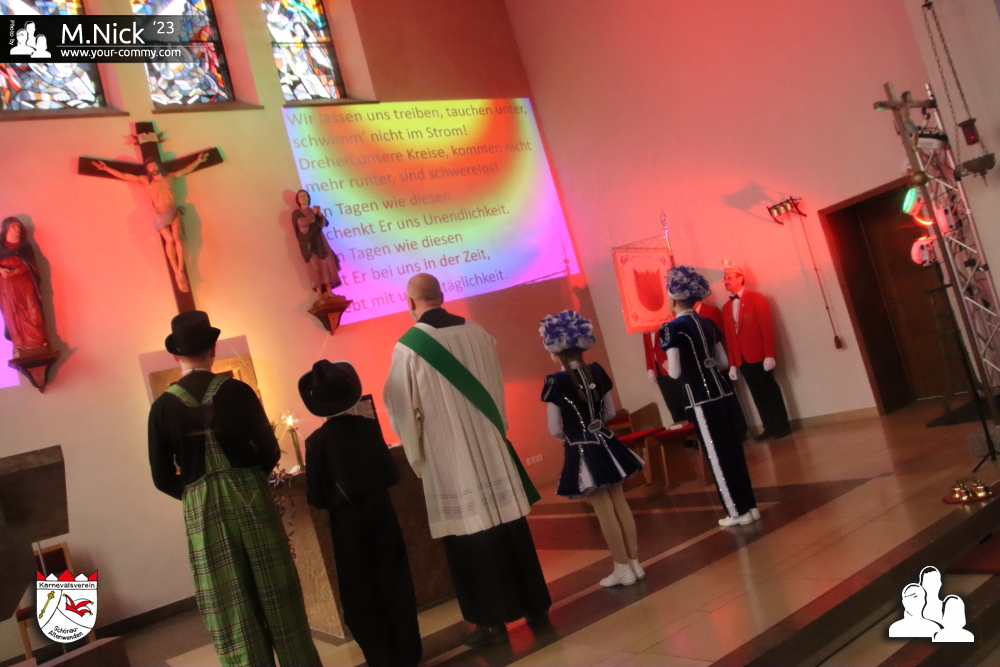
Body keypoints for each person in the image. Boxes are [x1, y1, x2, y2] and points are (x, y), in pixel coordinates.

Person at [384, 273, 551, 648]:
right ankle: (536, 609)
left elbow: (401, 411)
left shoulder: (409, 348)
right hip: (491, 449)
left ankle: (491, 623)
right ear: (441, 296)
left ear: (410, 302)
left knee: (471, 541)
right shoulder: (478, 333)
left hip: (452, 461)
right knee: (510, 529)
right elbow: (496, 391)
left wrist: (419, 457)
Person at [147, 311, 320, 667]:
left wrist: (195, 495)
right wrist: (249, 479)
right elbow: (270, 450)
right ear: (212, 349)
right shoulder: (239, 392)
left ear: (176, 355)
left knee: (230, 605)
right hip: (251, 499)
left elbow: (161, 477)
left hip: (203, 513)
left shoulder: (162, 408)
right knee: (279, 595)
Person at [300, 359, 421, 667]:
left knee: (359, 592)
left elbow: (316, 496)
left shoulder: (316, 443)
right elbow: (392, 474)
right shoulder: (368, 427)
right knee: (395, 581)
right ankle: (408, 654)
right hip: (381, 511)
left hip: (347, 522)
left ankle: (382, 659)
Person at [540, 310, 645, 586]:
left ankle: (621, 568)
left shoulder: (555, 381)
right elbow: (609, 412)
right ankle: (634, 563)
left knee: (603, 510)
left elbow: (554, 428)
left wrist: (572, 433)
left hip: (583, 449)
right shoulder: (597, 370)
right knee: (619, 502)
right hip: (607, 443)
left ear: (555, 349)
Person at [660, 266, 760, 527]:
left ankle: (735, 511)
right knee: (733, 450)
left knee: (716, 455)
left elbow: (675, 372)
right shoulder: (707, 323)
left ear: (673, 299)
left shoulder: (672, 328)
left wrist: (669, 368)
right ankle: (750, 506)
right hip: (721, 391)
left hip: (700, 399)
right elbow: (722, 362)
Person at [93, 152, 210, 293]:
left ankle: (180, 270)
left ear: (158, 166)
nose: (152, 168)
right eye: (149, 167)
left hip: (173, 210)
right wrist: (106, 168)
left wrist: (199, 161)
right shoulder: (145, 180)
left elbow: (185, 170)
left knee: (178, 238)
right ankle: (176, 271)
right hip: (159, 212)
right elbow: (124, 176)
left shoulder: (169, 177)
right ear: (147, 169)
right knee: (170, 239)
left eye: (154, 165)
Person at [721, 261, 792, 440]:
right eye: (725, 278)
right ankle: (769, 426)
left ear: (740, 278)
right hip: (742, 359)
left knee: (770, 389)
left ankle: (782, 425)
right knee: (756, 393)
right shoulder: (726, 307)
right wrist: (732, 364)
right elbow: (730, 338)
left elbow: (766, 328)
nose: (726, 281)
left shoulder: (756, 298)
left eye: (729, 277)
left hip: (759, 355)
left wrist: (769, 355)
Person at [0, 217, 50, 356]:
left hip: (24, 281)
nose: (17, 229)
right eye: (13, 226)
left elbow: (31, 265)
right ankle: (20, 344)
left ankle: (39, 341)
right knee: (12, 311)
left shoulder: (25, 247)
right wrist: (1, 270)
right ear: (6, 229)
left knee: (33, 309)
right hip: (7, 284)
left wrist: (15, 271)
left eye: (19, 226)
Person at [292, 190, 342, 297]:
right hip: (309, 244)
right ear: (298, 199)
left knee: (326, 265)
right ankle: (319, 293)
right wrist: (314, 214)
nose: (303, 197)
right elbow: (303, 222)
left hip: (320, 241)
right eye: (300, 196)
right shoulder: (297, 213)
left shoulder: (313, 210)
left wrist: (319, 215)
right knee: (315, 268)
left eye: (305, 196)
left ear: (308, 198)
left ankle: (329, 291)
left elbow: (323, 223)